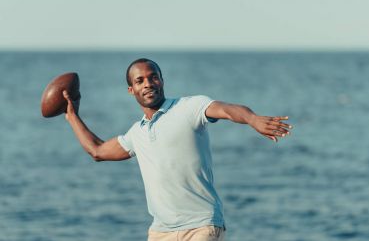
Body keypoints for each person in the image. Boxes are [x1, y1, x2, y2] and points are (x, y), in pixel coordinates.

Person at [63, 58, 292, 241]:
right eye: (140, 80)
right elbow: (98, 151)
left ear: (162, 80)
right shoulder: (136, 133)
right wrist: (72, 116)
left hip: (201, 226)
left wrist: (252, 118)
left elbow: (228, 110)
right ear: (131, 89)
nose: (148, 84)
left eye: (153, 78)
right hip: (161, 232)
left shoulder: (189, 107)